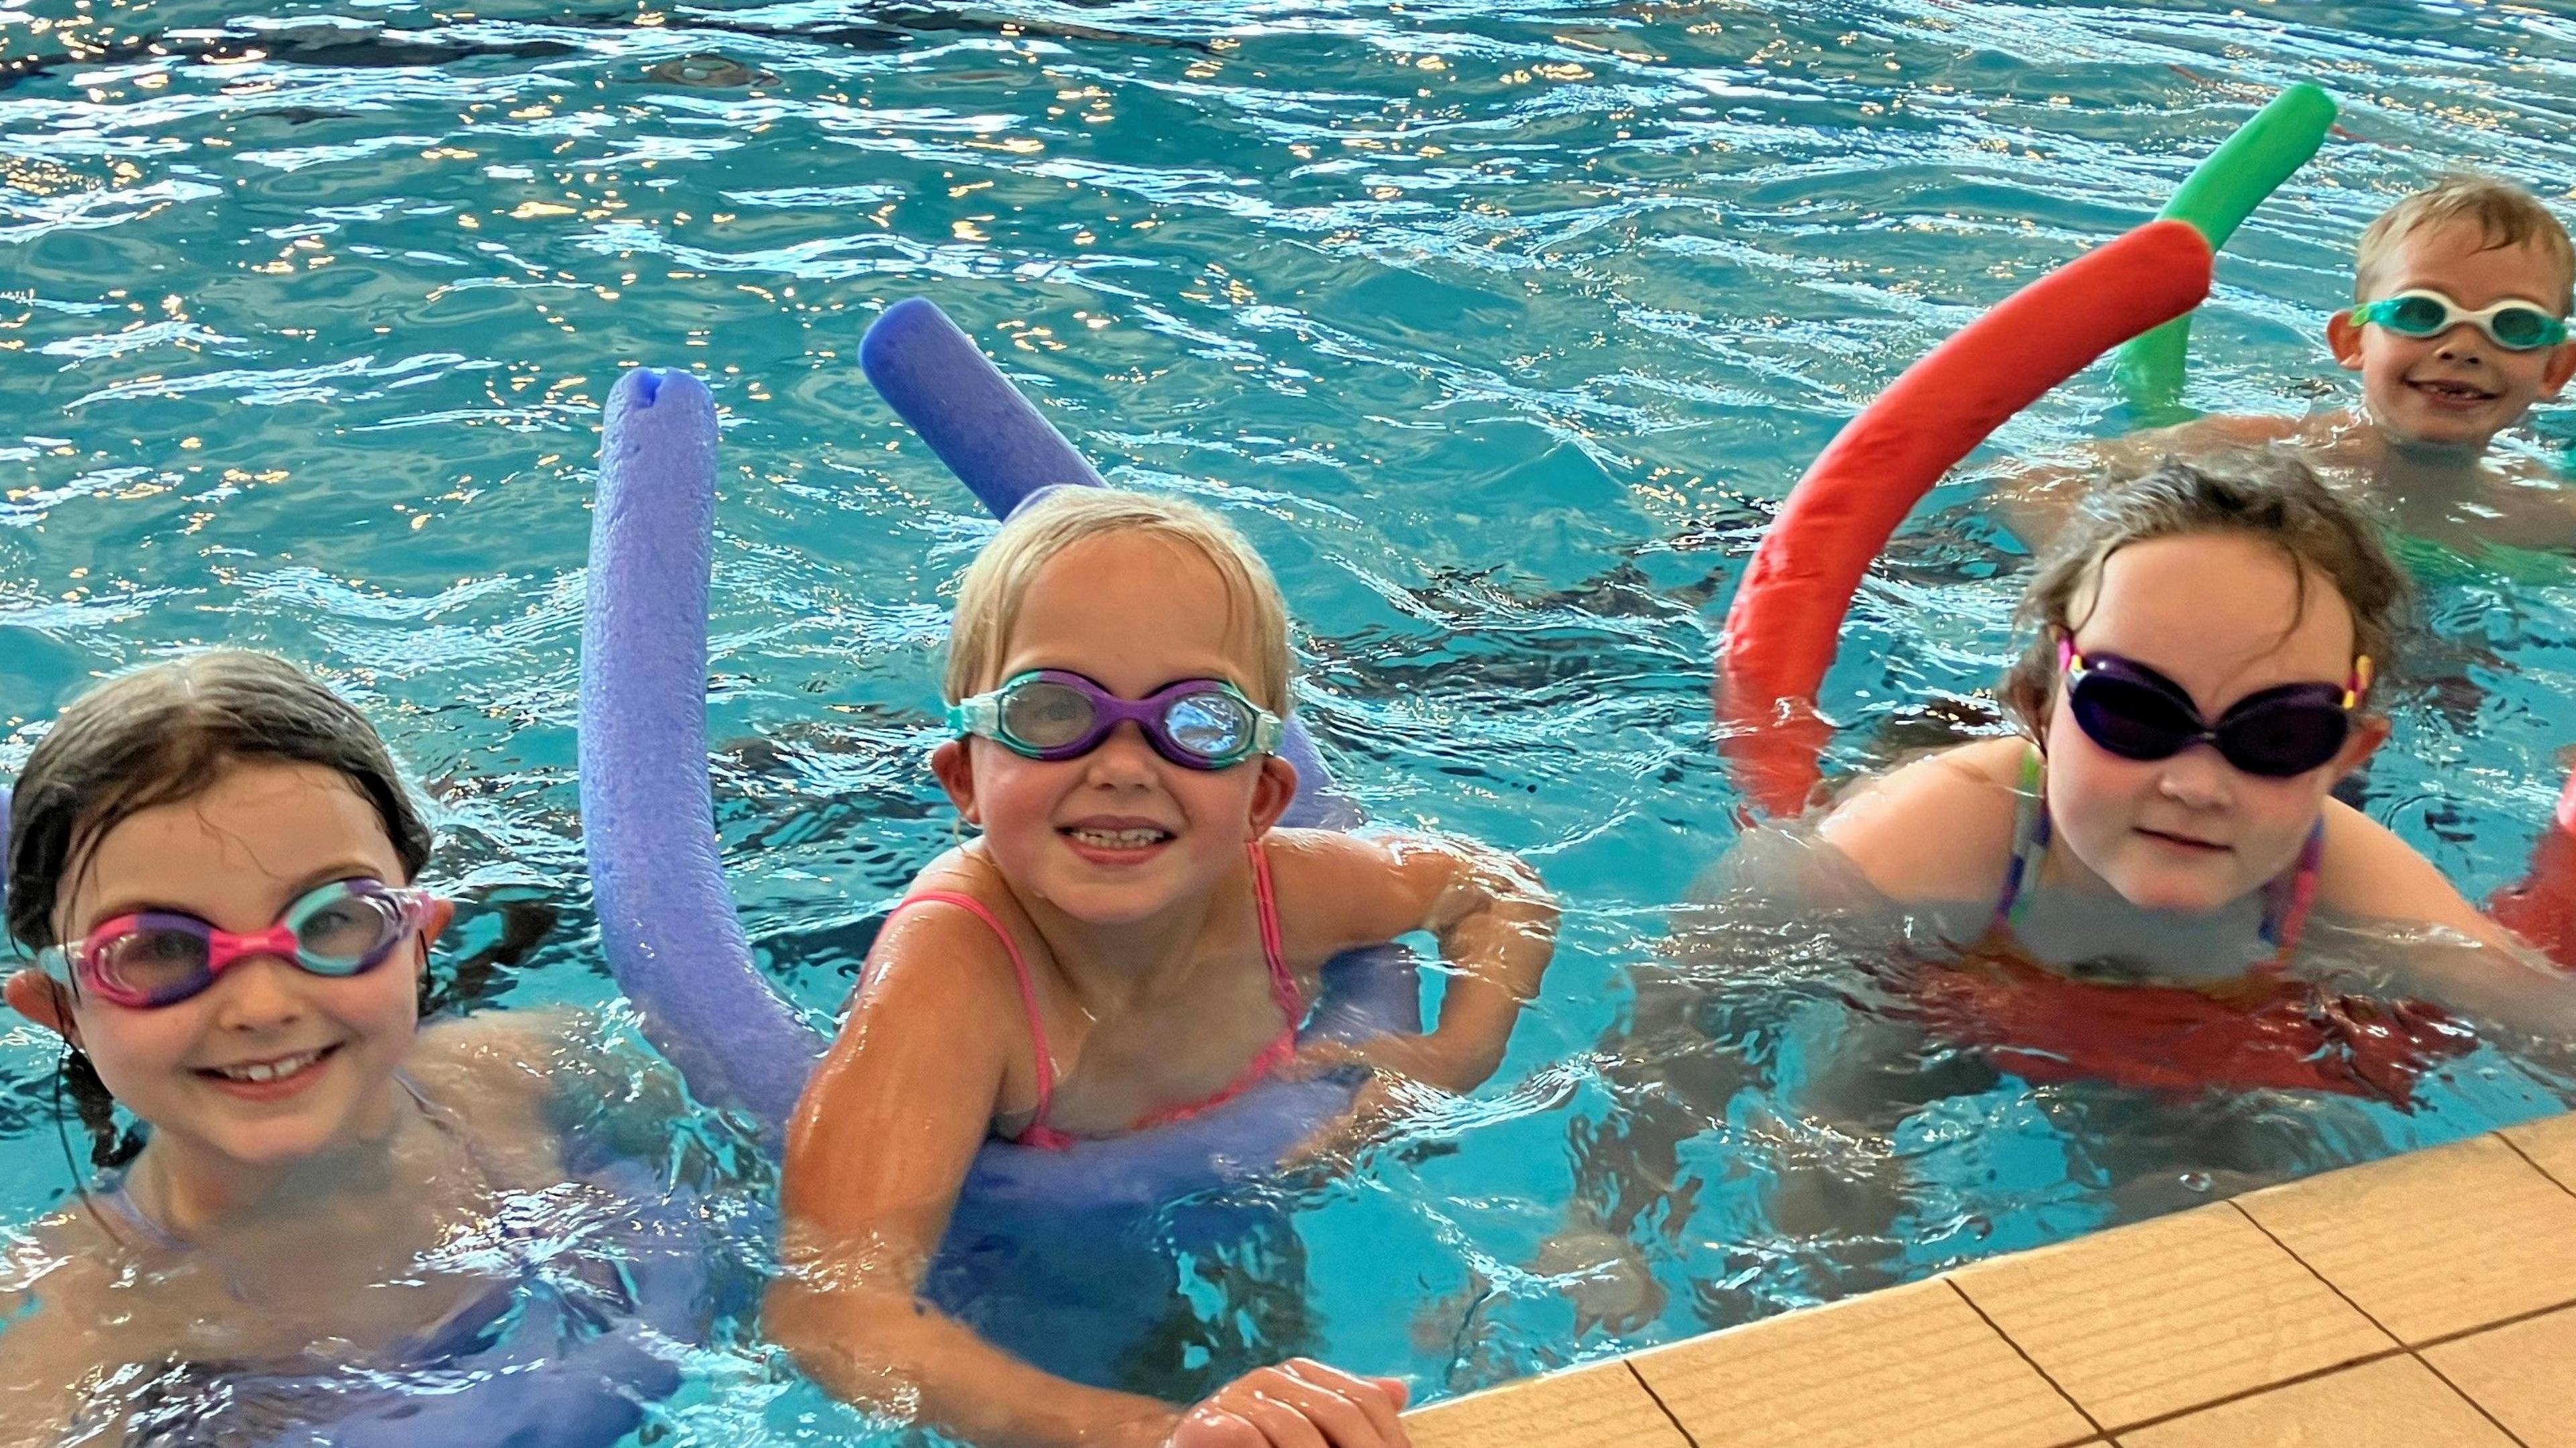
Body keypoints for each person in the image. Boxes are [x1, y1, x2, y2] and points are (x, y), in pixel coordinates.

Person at [1551, 457, 2576, 1336]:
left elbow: (2543, 1022)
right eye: (2134, 710)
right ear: (2041, 708)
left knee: (2240, 1250)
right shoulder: (1919, 842)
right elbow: (1683, 1015)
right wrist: (1607, 1212)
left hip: (2176, 1046)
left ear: (2349, 754)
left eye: (2278, 733)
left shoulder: (2354, 880)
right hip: (1931, 996)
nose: (2196, 780)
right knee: (1824, 1192)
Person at [767, 487, 1560, 1448]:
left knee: (1293, 1371)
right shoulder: (953, 974)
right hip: (1026, 1269)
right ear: (965, 777)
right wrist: (1157, 1432)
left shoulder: (1282, 892)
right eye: (1052, 709)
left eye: (1198, 720)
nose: (1124, 762)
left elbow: (1495, 888)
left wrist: (1452, 1055)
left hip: (1233, 1204)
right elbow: (833, 1313)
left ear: (1264, 795)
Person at [0, 651, 703, 1445]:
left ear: (414, 939)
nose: (263, 1004)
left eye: (333, 918)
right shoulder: (71, 1331)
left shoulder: (536, 1076)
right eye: (160, 948)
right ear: (59, 1006)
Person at [2000, 174, 2576, 550]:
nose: (2463, 347)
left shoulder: (2545, 515)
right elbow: (2032, 483)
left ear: (2555, 370)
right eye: (2421, 313)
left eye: (2515, 324)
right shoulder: (2267, 451)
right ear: (2352, 342)